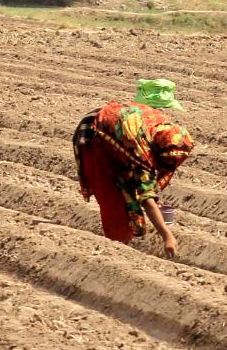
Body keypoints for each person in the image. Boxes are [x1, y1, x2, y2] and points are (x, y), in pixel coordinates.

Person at [72, 78, 195, 257]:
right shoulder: (141, 149)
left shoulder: (160, 128)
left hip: (116, 138)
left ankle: (124, 237)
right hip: (95, 137)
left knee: (132, 184)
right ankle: (117, 246)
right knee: (113, 196)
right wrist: (167, 236)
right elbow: (147, 197)